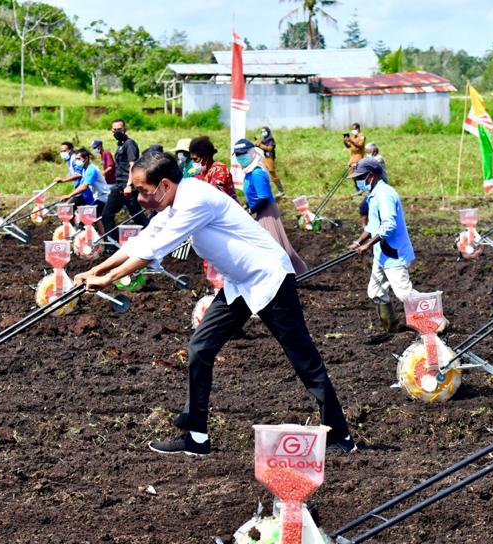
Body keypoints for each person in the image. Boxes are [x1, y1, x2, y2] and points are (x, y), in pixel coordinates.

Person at [73, 151, 356, 456]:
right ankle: (196, 436)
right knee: (200, 348)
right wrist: (96, 270)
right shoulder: (175, 201)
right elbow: (143, 239)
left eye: (143, 190)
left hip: (269, 279)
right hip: (239, 284)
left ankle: (341, 437)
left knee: (303, 359)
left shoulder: (195, 200)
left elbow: (156, 249)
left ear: (165, 185)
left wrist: (111, 279)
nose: (140, 198)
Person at [347, 157, 418, 333]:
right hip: (382, 254)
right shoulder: (374, 195)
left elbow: (388, 225)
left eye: (359, 178)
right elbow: (372, 226)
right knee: (376, 291)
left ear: (371, 176)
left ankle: (436, 320)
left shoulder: (385, 194)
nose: (358, 182)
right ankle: (392, 330)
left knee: (404, 294)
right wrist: (358, 242)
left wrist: (368, 245)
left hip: (393, 253)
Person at [233, 139, 307, 275]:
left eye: (242, 154)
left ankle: (292, 273)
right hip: (258, 211)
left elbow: (263, 198)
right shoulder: (248, 174)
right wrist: (246, 206)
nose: (240, 158)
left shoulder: (257, 173)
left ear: (251, 153)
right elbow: (253, 196)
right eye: (237, 155)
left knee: (274, 247)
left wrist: (250, 210)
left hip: (266, 213)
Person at [100, 119, 149, 237]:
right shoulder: (120, 145)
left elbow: (133, 165)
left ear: (125, 130)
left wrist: (129, 185)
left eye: (119, 129)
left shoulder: (129, 144)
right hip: (118, 186)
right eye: (114, 130)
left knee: (138, 217)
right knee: (106, 215)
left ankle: (156, 238)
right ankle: (112, 246)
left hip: (127, 187)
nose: (117, 132)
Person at [60, 148, 109, 213]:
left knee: (90, 216)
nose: (77, 161)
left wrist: (69, 195)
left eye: (78, 159)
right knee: (88, 217)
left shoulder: (92, 169)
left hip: (103, 197)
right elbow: (81, 185)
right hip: (97, 197)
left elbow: (84, 186)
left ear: (86, 158)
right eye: (76, 159)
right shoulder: (84, 170)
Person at [188, 136, 236, 200]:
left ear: (205, 157)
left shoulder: (220, 170)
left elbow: (215, 196)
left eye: (195, 159)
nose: (193, 162)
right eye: (191, 159)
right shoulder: (200, 171)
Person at [253, 126, 285, 196]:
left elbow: (269, 148)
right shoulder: (263, 140)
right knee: (264, 174)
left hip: (269, 158)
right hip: (264, 158)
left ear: (268, 132)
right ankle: (265, 191)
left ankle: (281, 190)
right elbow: (261, 147)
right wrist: (257, 144)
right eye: (262, 132)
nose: (263, 133)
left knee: (272, 172)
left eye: (264, 131)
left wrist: (260, 145)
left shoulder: (271, 140)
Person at [344, 122, 366, 189]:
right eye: (352, 129)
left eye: (354, 129)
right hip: (352, 157)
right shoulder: (353, 137)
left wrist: (351, 141)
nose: (353, 131)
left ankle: (362, 188)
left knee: (358, 174)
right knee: (352, 174)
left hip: (359, 157)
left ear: (358, 129)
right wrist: (345, 141)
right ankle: (357, 188)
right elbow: (348, 146)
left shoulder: (362, 136)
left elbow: (360, 146)